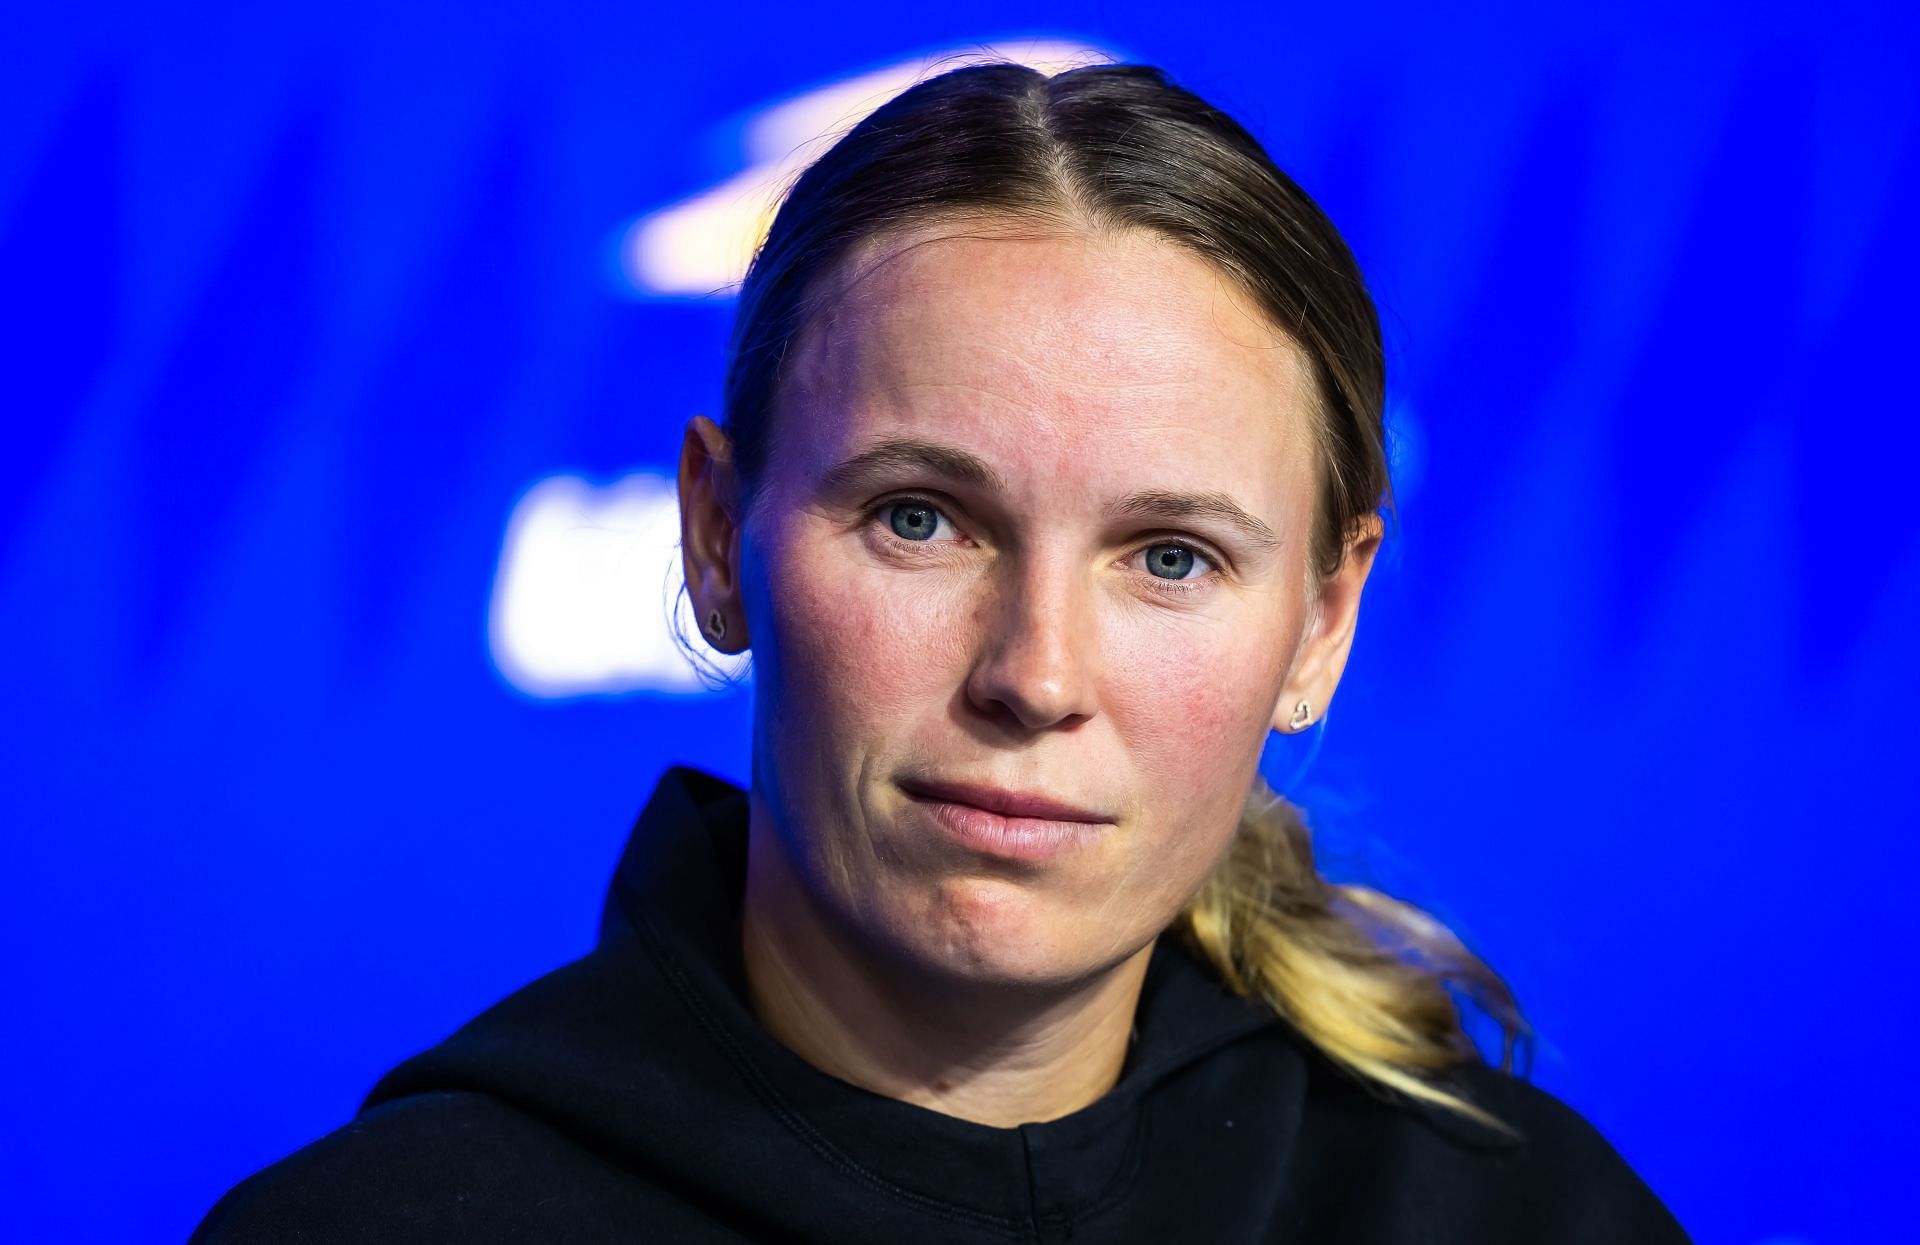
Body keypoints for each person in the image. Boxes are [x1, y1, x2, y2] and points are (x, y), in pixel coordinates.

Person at [192, 60, 1691, 1243]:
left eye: (1170, 556)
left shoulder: (1524, 1218)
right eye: (922, 520)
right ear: (719, 534)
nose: (1035, 675)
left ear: (1322, 620)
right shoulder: (380, 1225)